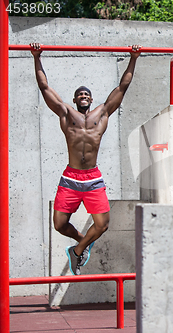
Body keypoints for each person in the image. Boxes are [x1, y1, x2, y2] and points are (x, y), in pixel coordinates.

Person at [30, 43, 142, 275]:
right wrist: (36, 56)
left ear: (91, 99)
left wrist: (133, 57)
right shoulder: (65, 113)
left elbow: (124, 85)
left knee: (103, 224)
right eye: (80, 94)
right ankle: (82, 243)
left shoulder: (102, 114)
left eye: (87, 94)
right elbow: (43, 86)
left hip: (92, 177)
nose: (83, 96)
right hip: (71, 176)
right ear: (75, 98)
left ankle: (78, 250)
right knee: (60, 225)